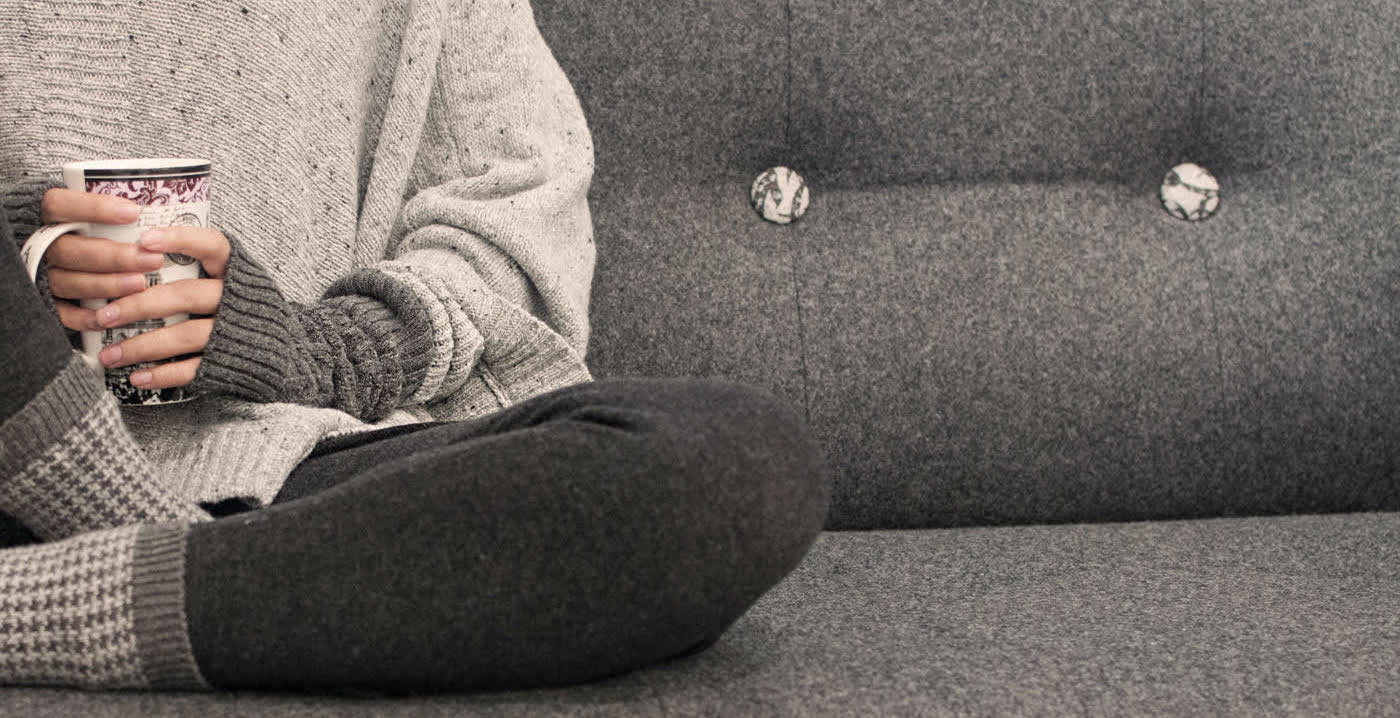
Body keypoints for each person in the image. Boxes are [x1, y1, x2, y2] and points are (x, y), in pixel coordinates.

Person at [0, 0, 829, 693]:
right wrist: (24, 272)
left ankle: (79, 578)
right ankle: (137, 540)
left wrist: (313, 345)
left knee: (739, 463)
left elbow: (511, 218)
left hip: (283, 468)